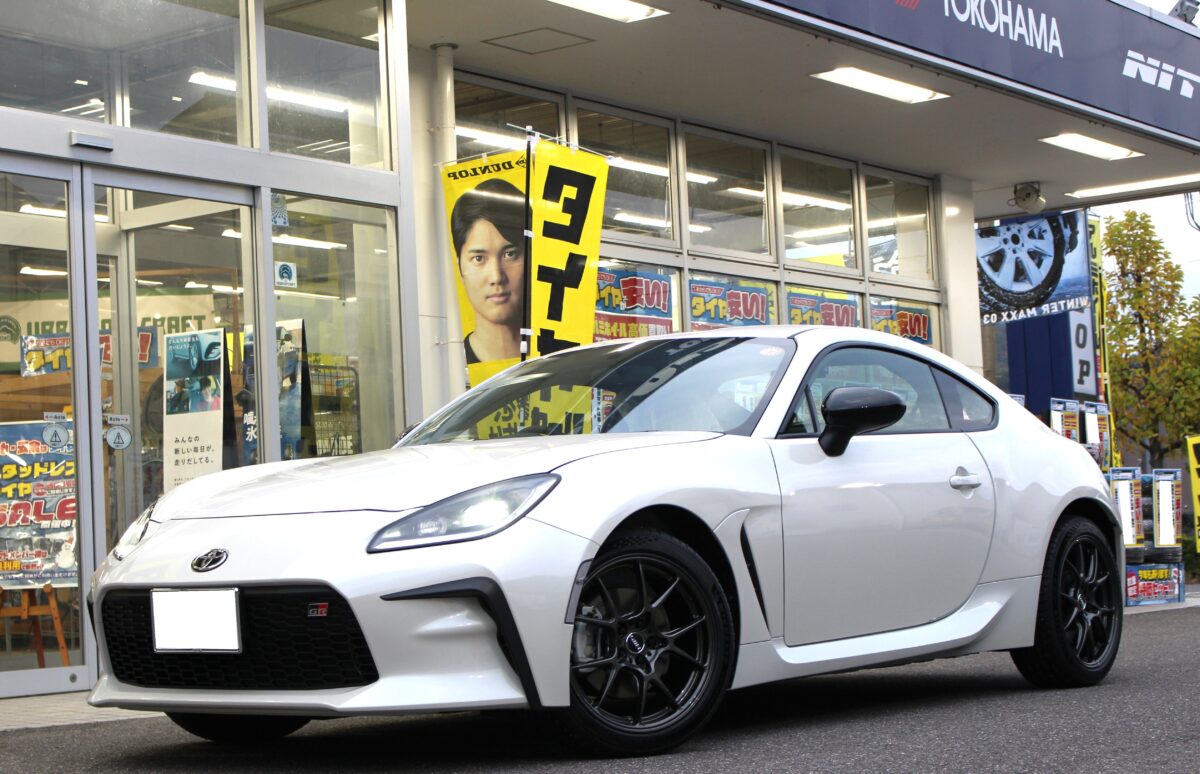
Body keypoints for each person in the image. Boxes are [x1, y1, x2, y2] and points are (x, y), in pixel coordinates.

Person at [449, 178, 527, 364]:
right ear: (459, 266)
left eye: (510, 254)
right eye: (479, 258)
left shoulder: (555, 358)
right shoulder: (450, 363)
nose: (496, 277)